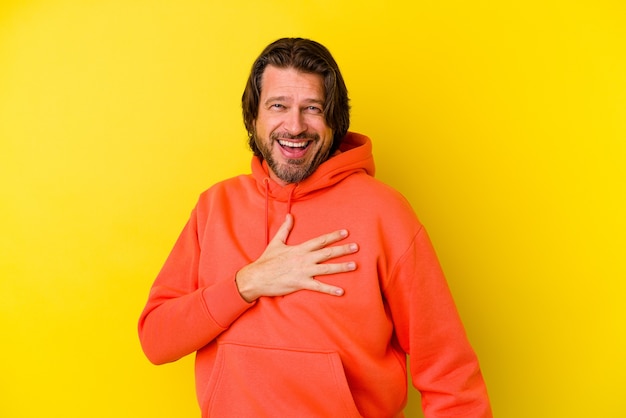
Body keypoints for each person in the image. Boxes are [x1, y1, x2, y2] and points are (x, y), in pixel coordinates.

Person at [138, 37, 492, 418]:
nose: (295, 126)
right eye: (278, 106)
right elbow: (157, 340)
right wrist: (247, 284)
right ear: (253, 117)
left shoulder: (384, 213)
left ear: (334, 120)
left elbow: (450, 375)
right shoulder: (215, 206)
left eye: (312, 108)